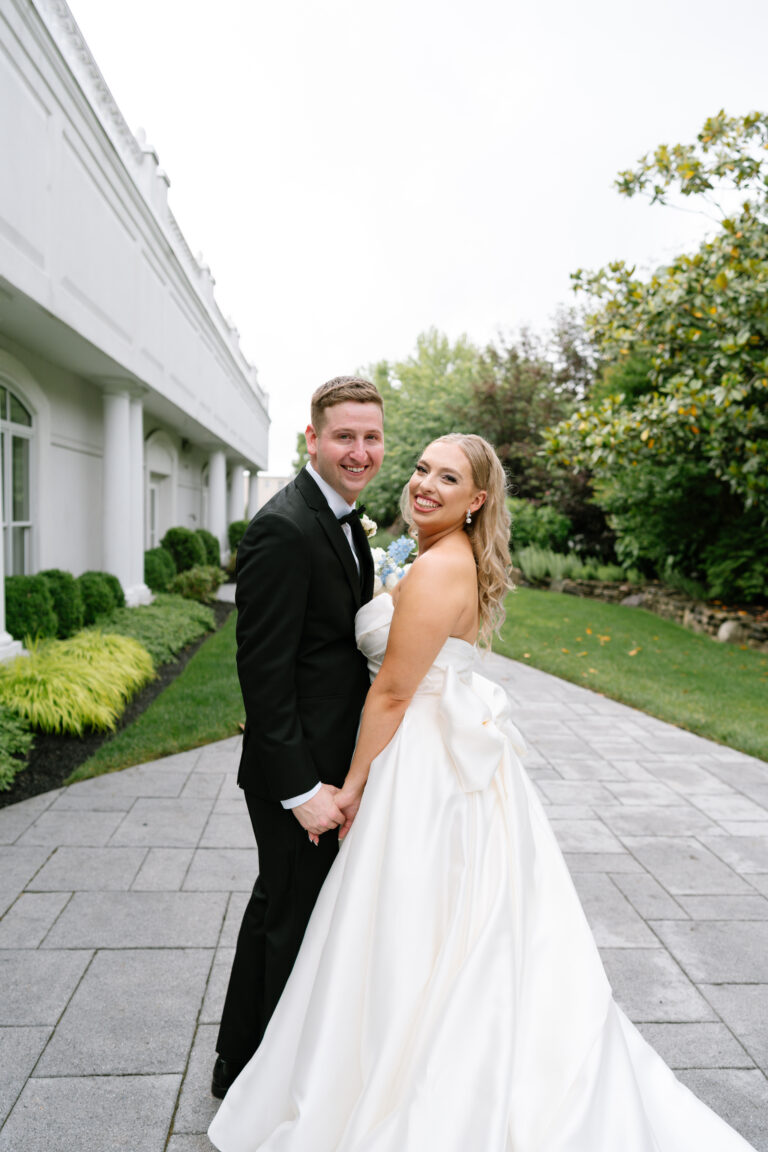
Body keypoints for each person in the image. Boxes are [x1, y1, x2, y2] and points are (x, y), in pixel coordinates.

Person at [209, 433, 756, 1151]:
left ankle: (417, 1074)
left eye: (448, 478)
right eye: (422, 469)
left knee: (411, 920)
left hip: (425, 767)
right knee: (428, 919)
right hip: (440, 751)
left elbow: (395, 694)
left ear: (477, 501)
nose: (425, 484)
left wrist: (351, 789)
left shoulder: (440, 569)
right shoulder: (430, 557)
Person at [211, 376, 384, 1100]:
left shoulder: (341, 517)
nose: (360, 451)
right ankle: (273, 1098)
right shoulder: (285, 527)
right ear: (311, 439)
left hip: (325, 759)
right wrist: (301, 790)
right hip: (298, 774)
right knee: (294, 926)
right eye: (344, 435)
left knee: (277, 910)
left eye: (372, 436)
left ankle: (240, 1069)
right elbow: (264, 669)